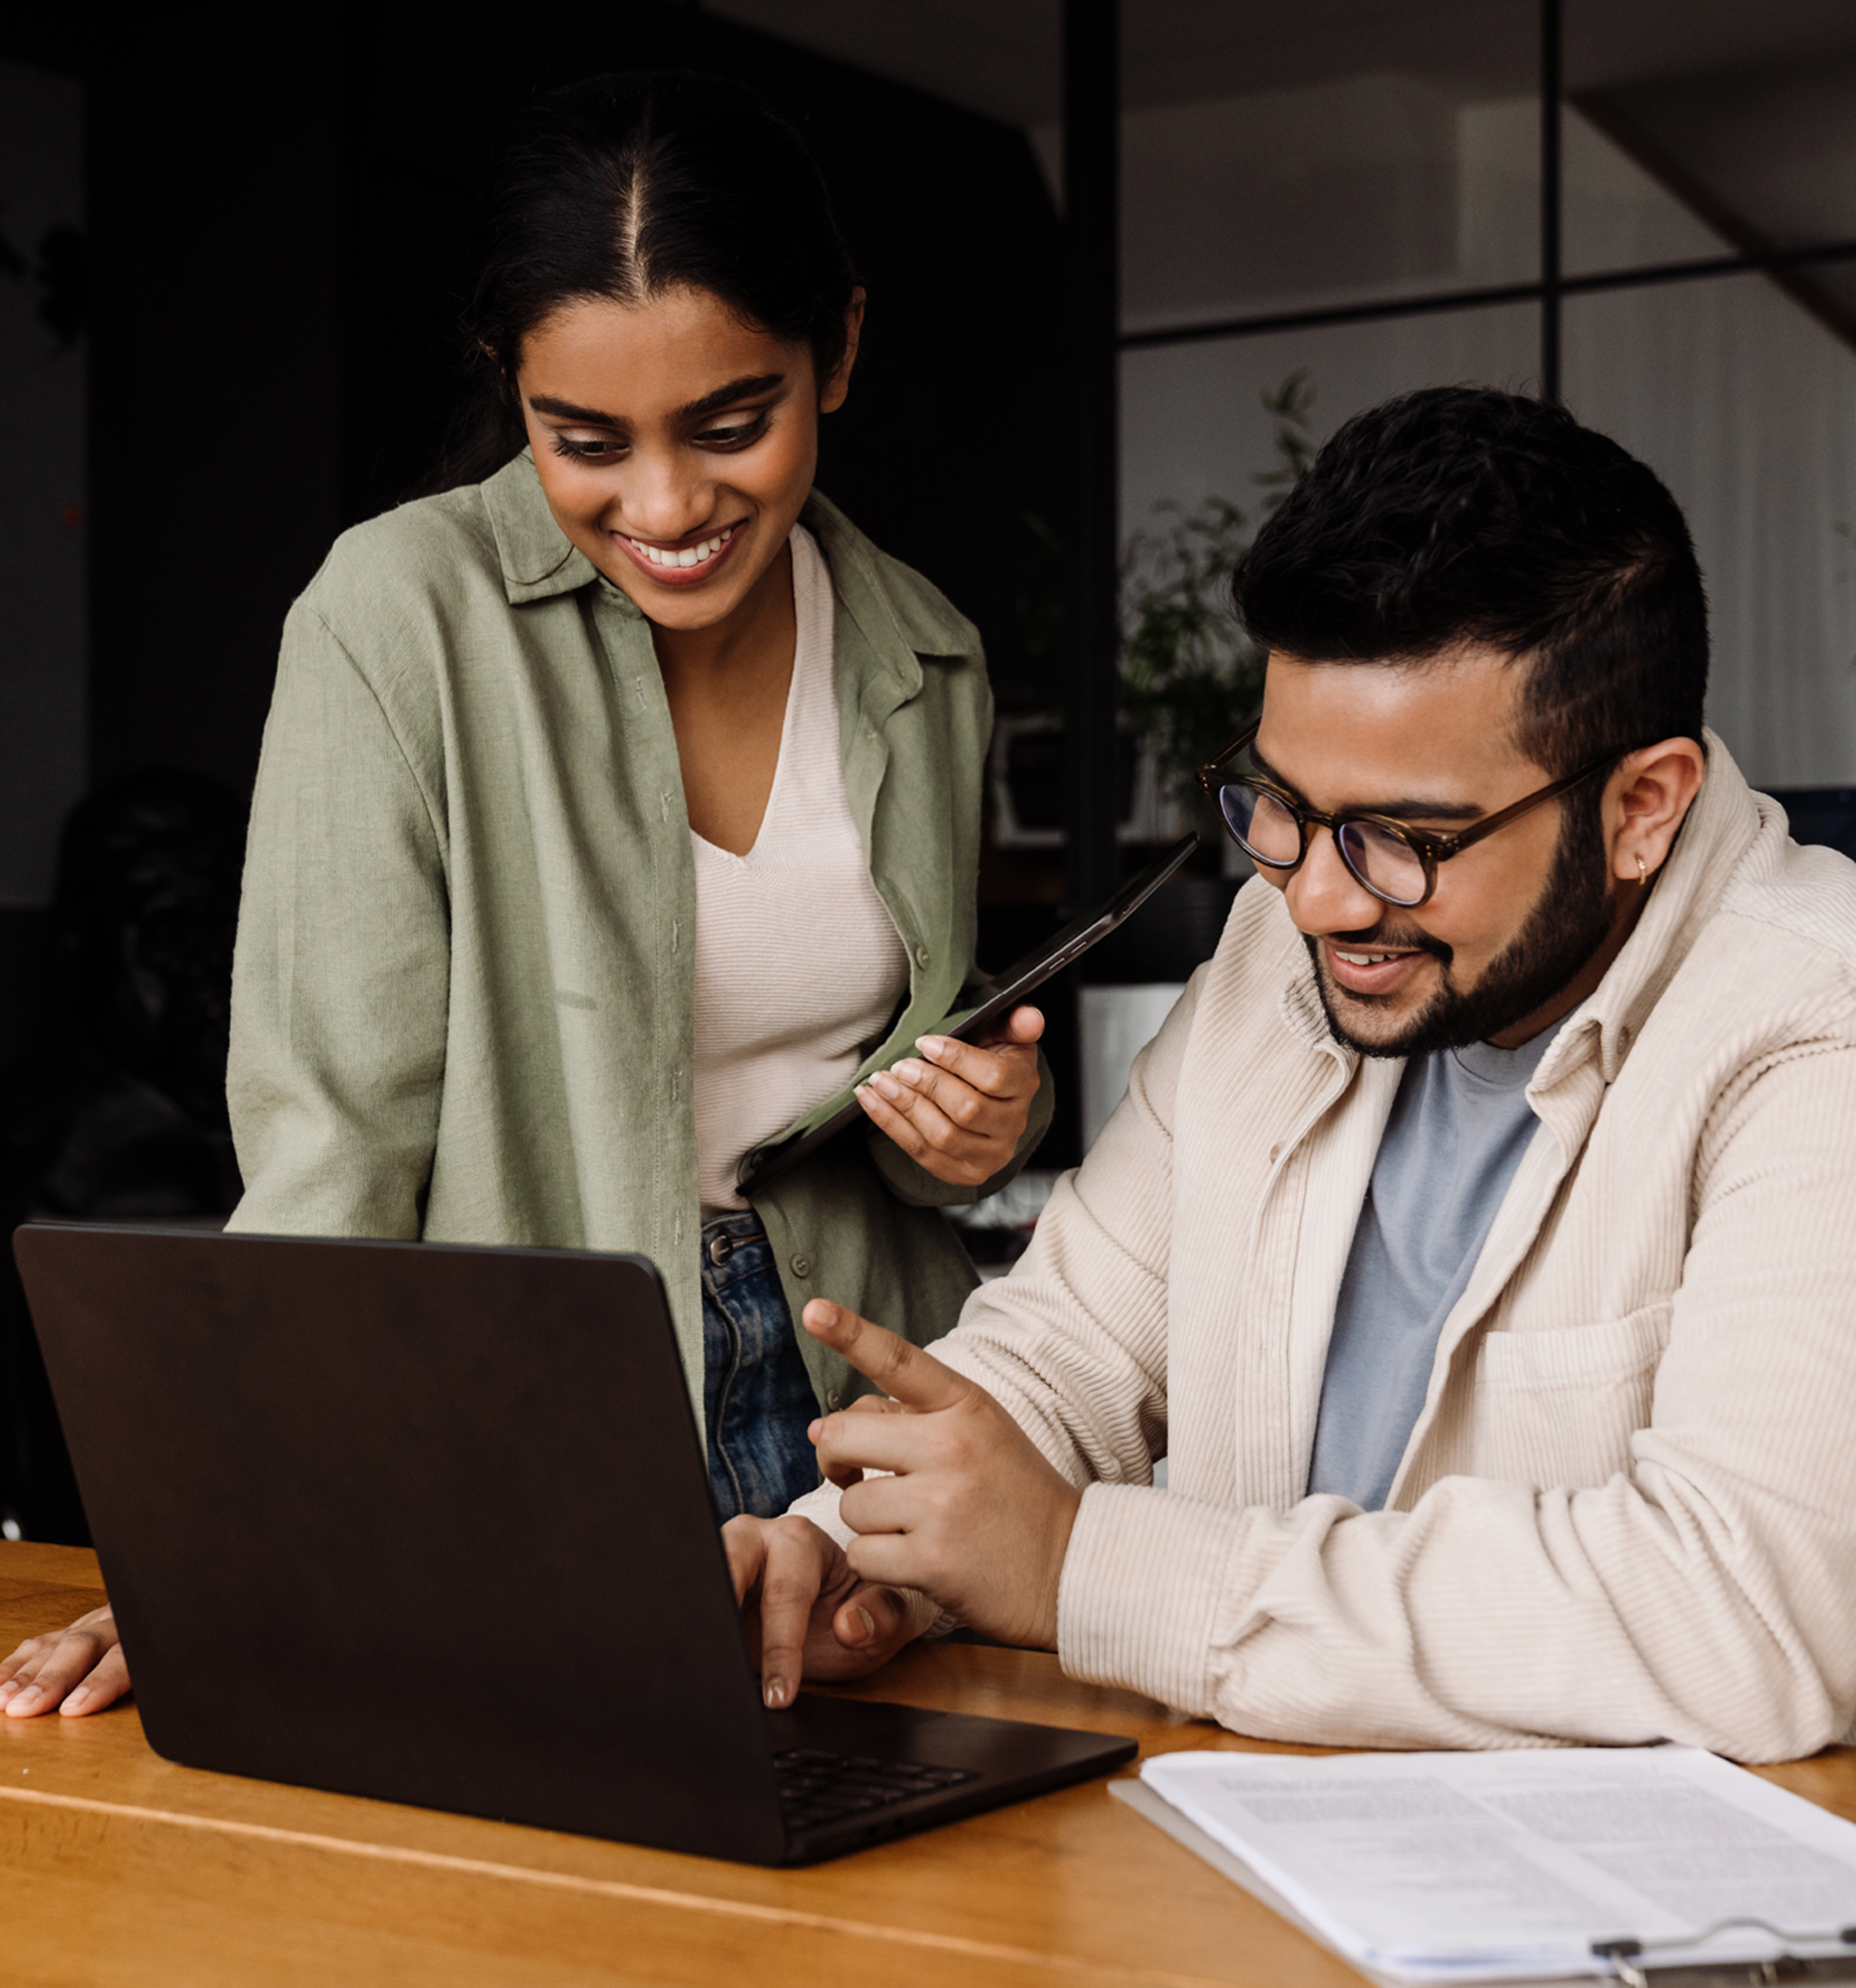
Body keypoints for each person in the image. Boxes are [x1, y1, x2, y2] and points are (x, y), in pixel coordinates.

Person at [1, 71, 1048, 1718]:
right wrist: (225, 1539)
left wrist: (984, 1126)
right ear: (517, 394)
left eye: (729, 423)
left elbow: (897, 1089)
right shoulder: (397, 617)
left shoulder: (927, 654)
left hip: (866, 1423)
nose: (665, 508)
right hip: (540, 1415)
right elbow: (333, 1139)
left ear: (836, 352)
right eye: (587, 442)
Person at [722, 386, 1856, 1763]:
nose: (1316, 897)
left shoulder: (1815, 1024)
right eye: (1283, 806)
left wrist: (1084, 1569)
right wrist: (852, 1549)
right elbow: (1074, 1347)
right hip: (1223, 1835)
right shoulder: (1293, 943)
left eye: (1401, 837)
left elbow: (1747, 1614)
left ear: (1641, 808)